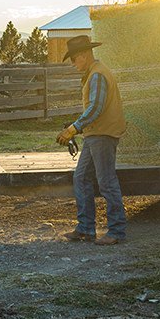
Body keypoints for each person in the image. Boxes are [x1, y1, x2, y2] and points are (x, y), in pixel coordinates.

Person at [57, 34, 128, 246]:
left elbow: (96, 108)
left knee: (106, 182)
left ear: (84, 55)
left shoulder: (97, 75)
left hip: (102, 134)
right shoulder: (95, 73)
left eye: (74, 58)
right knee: (81, 177)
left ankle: (117, 231)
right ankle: (86, 228)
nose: (73, 63)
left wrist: (73, 128)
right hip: (95, 134)